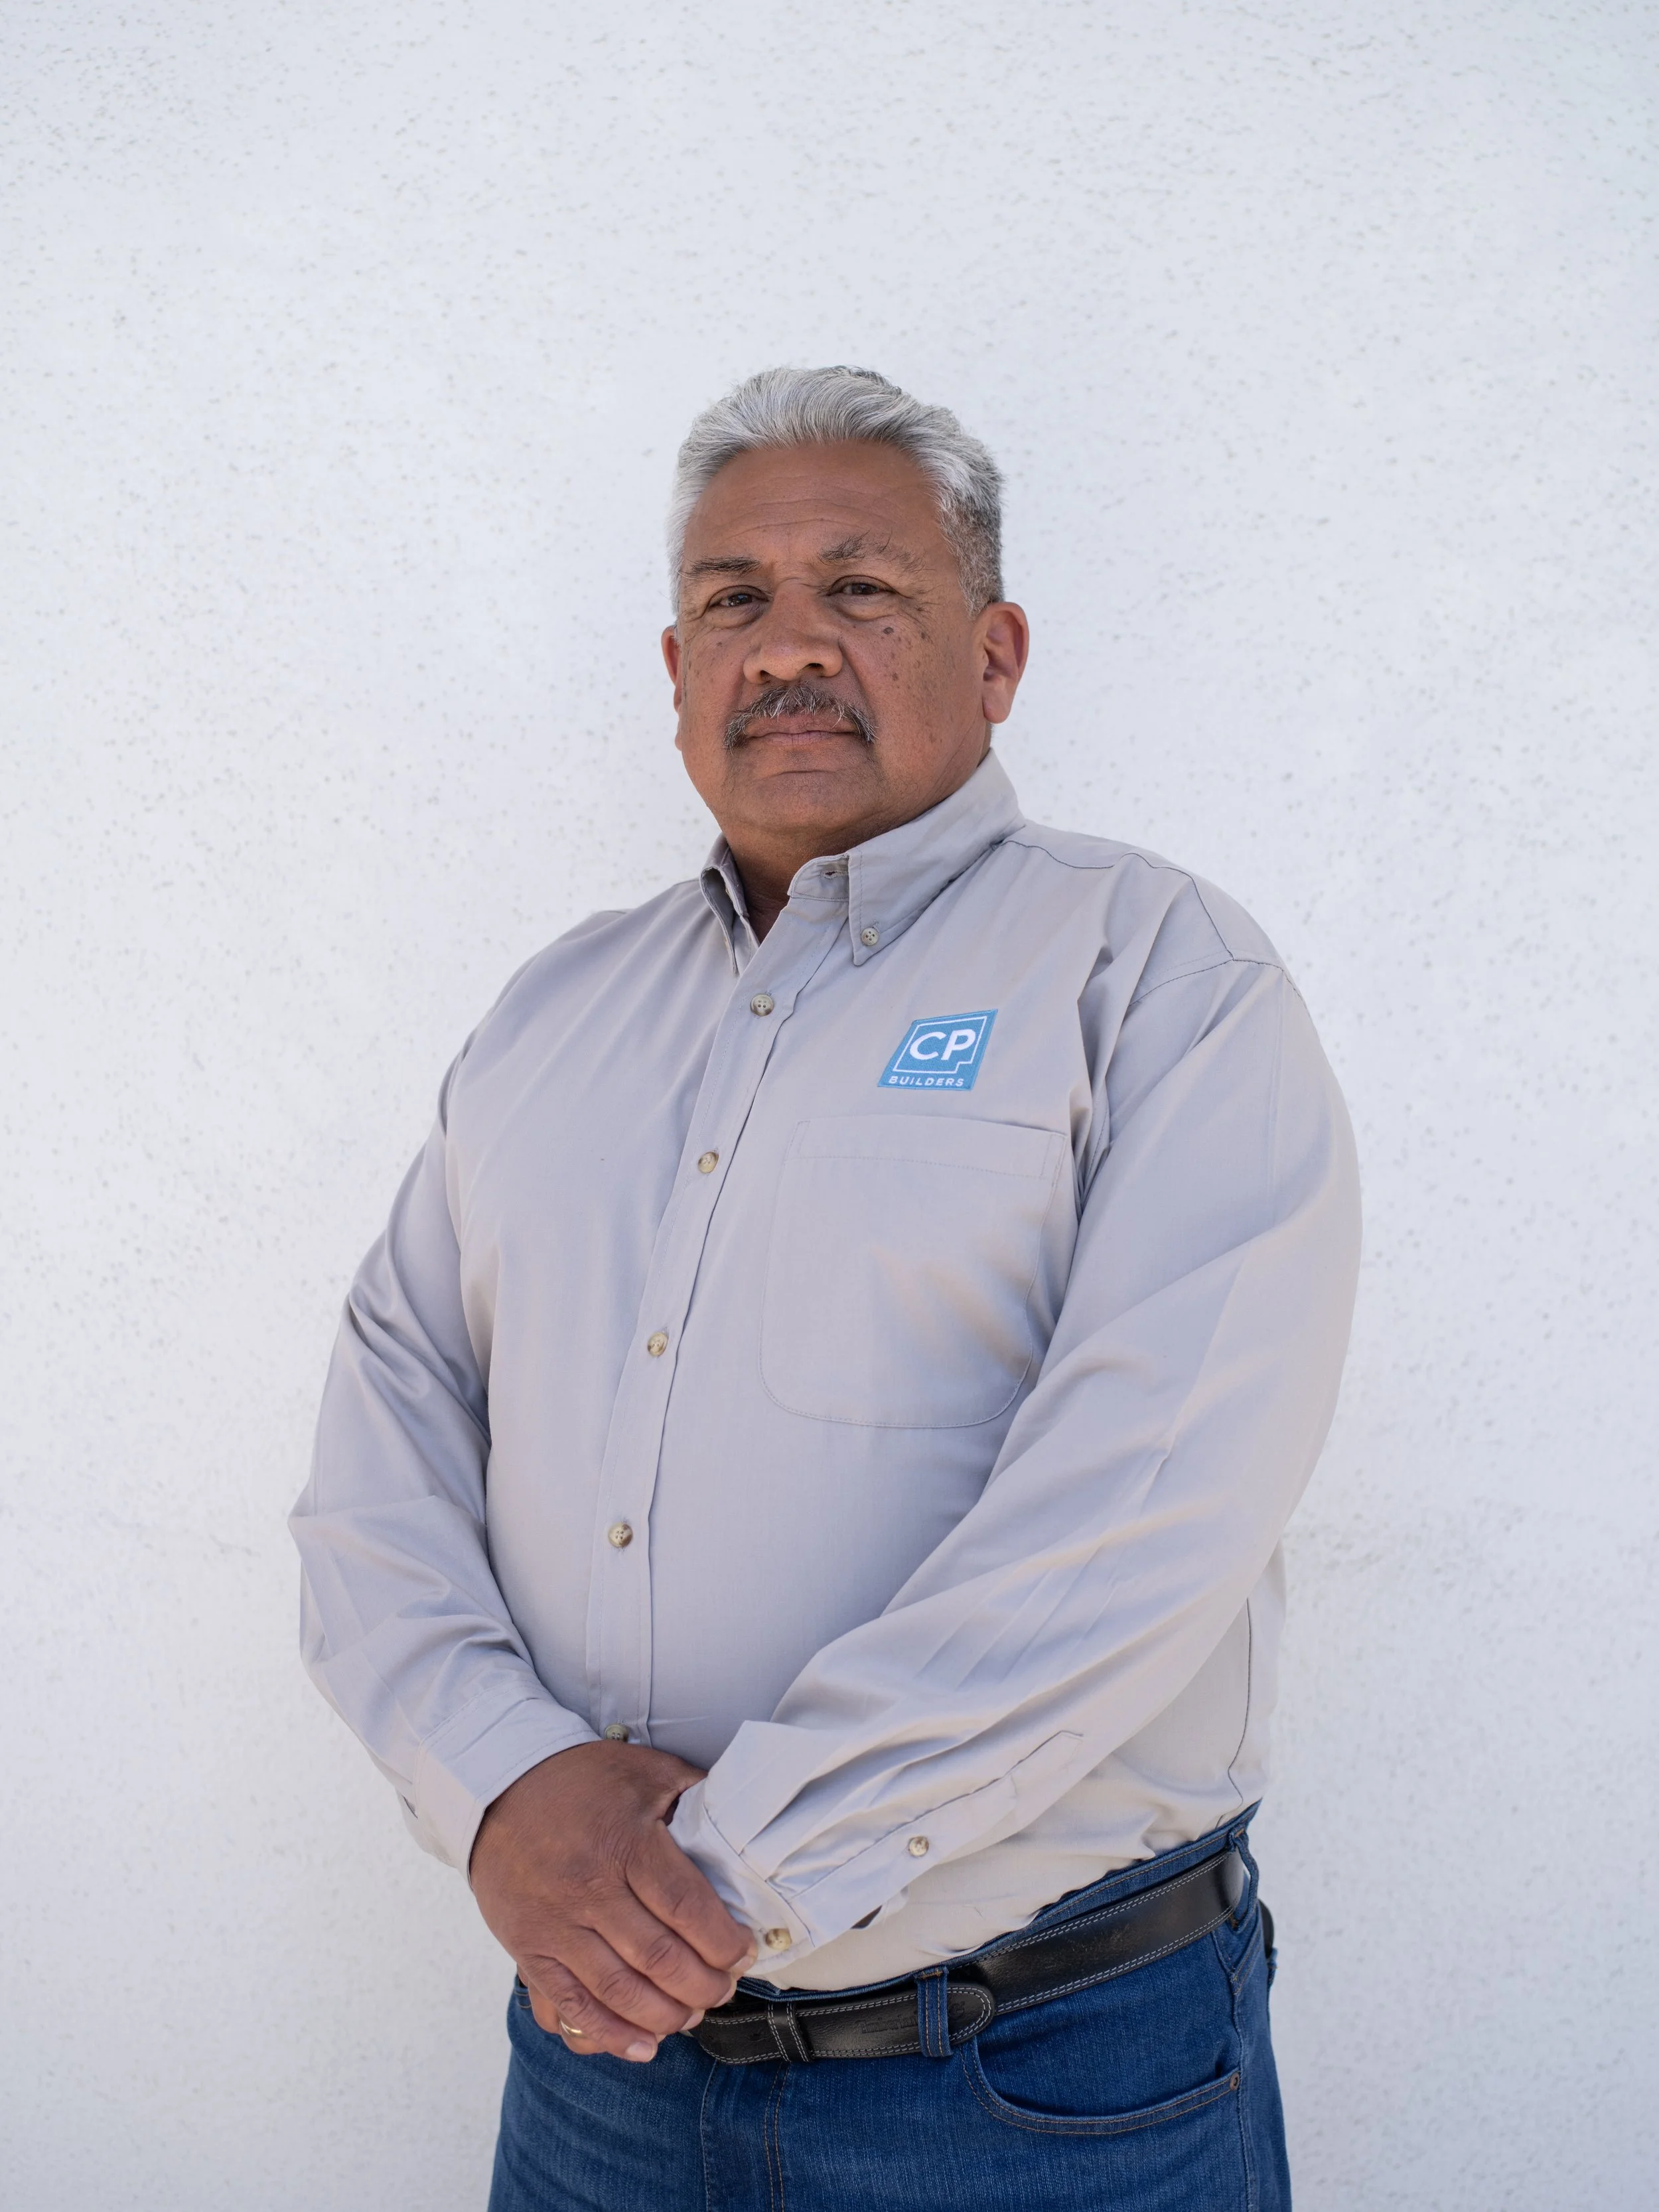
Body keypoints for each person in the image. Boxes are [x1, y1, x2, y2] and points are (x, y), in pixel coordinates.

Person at [291, 364, 1361, 2212]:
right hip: (606, 2079)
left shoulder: (1158, 973)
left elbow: (1145, 1507)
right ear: (676, 668)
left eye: (860, 588)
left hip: (1039, 2081)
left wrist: (704, 1880)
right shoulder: (554, 1014)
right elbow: (382, 1444)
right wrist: (503, 1791)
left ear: (995, 654)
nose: (787, 645)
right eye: (735, 599)